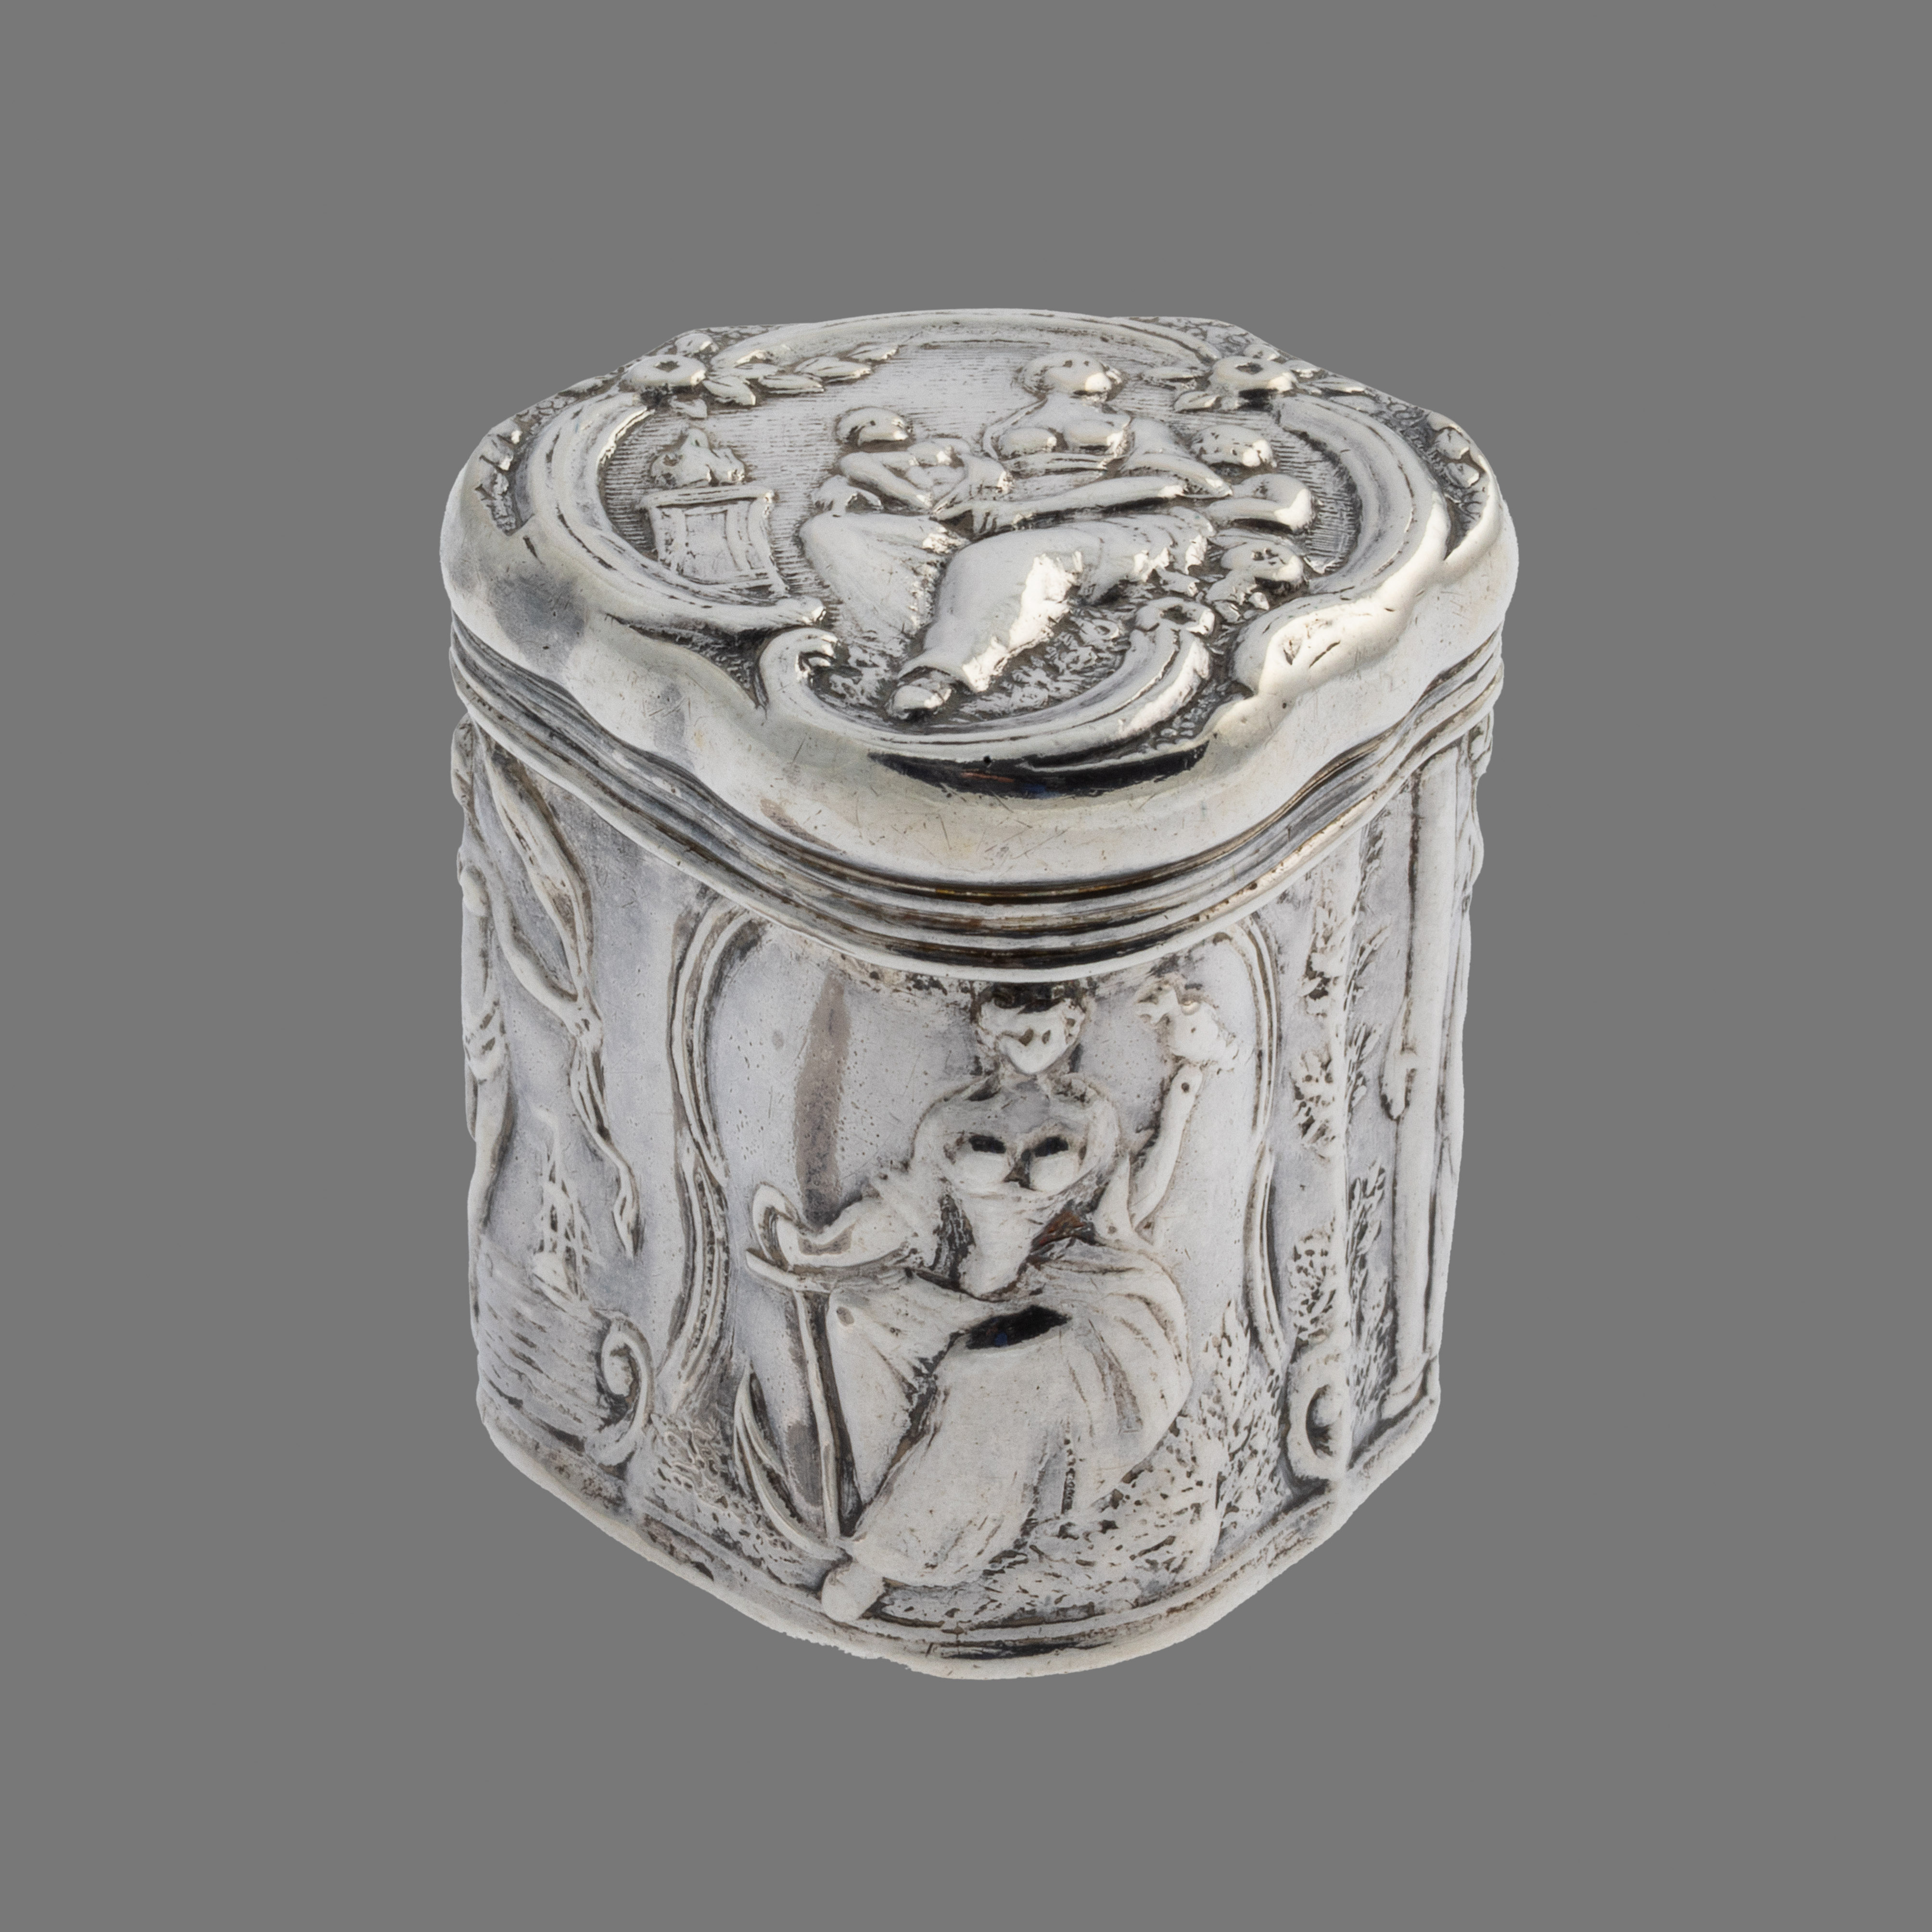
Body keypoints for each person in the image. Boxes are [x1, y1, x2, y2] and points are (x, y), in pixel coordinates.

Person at [747, 980, 1234, 1623]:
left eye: (1049, 1022)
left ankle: (884, 1563)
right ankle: (900, 1507)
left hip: (1066, 1297)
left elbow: (1126, 1207)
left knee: (980, 1371)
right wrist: (816, 1251)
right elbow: (905, 1213)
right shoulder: (950, 1122)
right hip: (970, 1297)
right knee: (853, 1316)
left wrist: (1183, 1094)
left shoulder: (1090, 1116)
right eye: (1016, 1021)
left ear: (1072, 1027)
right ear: (988, 1031)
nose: (1034, 1035)